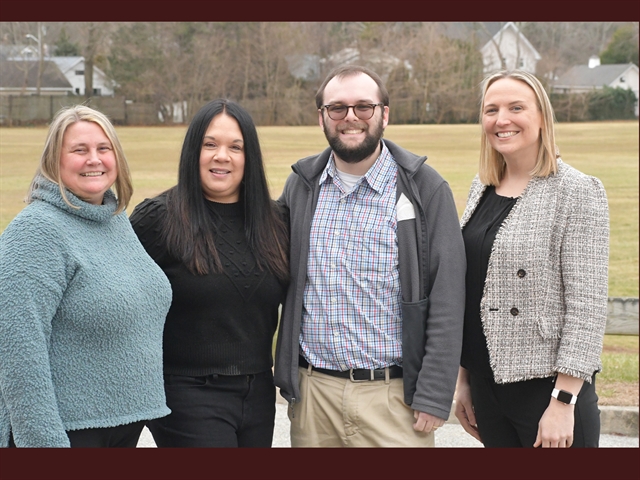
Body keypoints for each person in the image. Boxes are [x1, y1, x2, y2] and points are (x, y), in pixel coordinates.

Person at [274, 65, 466, 447]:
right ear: (322, 117)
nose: (350, 118)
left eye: (364, 107)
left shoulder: (425, 189)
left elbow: (448, 296)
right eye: (337, 108)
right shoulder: (302, 185)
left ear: (384, 114)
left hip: (393, 399)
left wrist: (433, 393)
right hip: (314, 398)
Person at [0, 105, 172, 448]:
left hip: (121, 426)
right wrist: (44, 444)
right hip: (68, 433)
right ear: (54, 161)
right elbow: (18, 349)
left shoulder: (113, 219)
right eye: (80, 150)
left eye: (103, 149)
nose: (94, 159)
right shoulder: (36, 231)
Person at [454, 70, 609, 448]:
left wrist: (563, 401)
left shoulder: (576, 191)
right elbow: (470, 288)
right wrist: (463, 379)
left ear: (542, 117)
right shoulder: (483, 186)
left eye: (516, 107)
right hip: (489, 388)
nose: (501, 119)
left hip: (547, 393)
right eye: (491, 110)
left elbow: (587, 307)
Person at [129, 99, 289, 448]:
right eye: (210, 144)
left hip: (259, 393)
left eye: (236, 146)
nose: (222, 156)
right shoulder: (158, 219)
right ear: (192, 152)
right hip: (186, 393)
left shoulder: (276, 222)